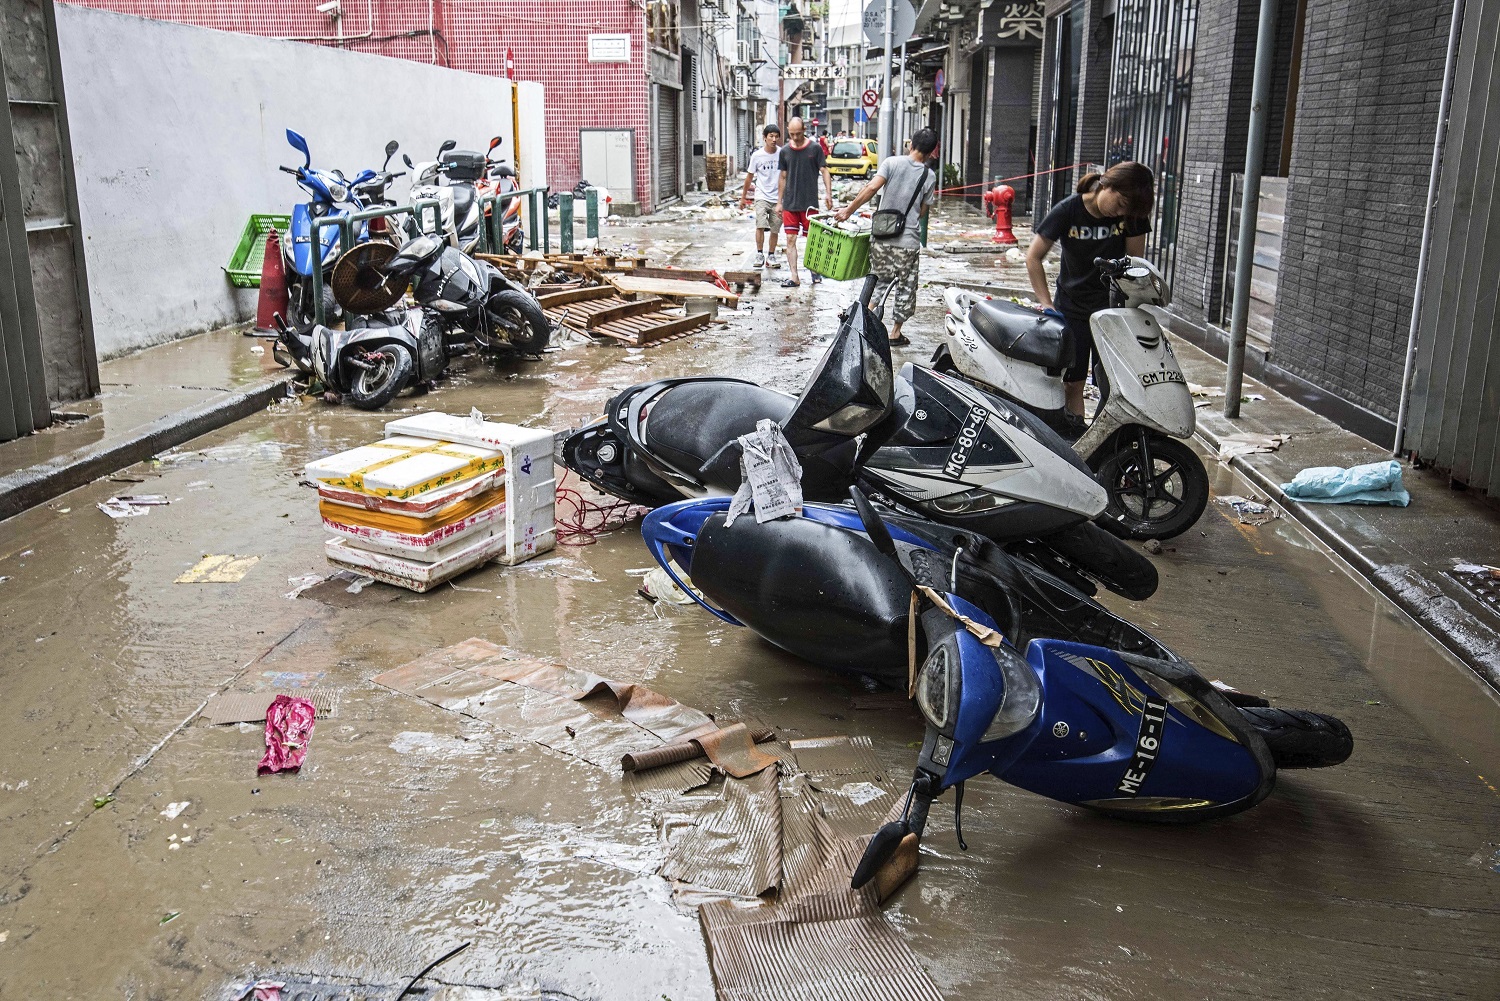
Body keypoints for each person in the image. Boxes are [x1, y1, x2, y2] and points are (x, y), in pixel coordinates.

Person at [1026, 162, 1155, 430]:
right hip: (1072, 308)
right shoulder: (1069, 210)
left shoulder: (1132, 216)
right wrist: (1046, 302)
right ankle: (1076, 438)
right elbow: (1033, 257)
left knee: (1113, 383)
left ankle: (1104, 444)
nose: (1120, 213)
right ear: (1107, 185)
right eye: (1120, 204)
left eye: (1127, 210)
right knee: (1073, 382)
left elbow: (1134, 264)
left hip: (1113, 311)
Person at [834, 126, 938, 345]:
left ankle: (863, 325)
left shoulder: (891, 163)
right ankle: (895, 333)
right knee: (906, 286)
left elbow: (871, 188)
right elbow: (922, 211)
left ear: (911, 145)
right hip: (908, 240)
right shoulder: (929, 176)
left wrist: (848, 210)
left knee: (878, 281)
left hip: (882, 236)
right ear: (931, 152)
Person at [776, 116, 833, 288]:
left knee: (813, 240)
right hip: (790, 204)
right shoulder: (785, 151)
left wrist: (828, 194)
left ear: (804, 130)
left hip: (809, 204)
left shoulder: (815, 148)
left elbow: (824, 171)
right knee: (790, 239)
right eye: (792, 134)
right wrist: (779, 201)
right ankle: (794, 276)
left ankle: (814, 270)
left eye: (798, 134)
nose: (795, 137)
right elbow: (783, 176)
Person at [740, 124, 782, 269]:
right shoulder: (757, 156)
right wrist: (743, 198)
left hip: (777, 198)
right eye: (771, 136)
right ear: (764, 138)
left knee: (775, 228)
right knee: (760, 225)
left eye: (776, 136)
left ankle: (771, 255)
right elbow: (749, 177)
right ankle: (759, 253)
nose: (774, 139)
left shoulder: (782, 154)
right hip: (761, 196)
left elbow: (786, 176)